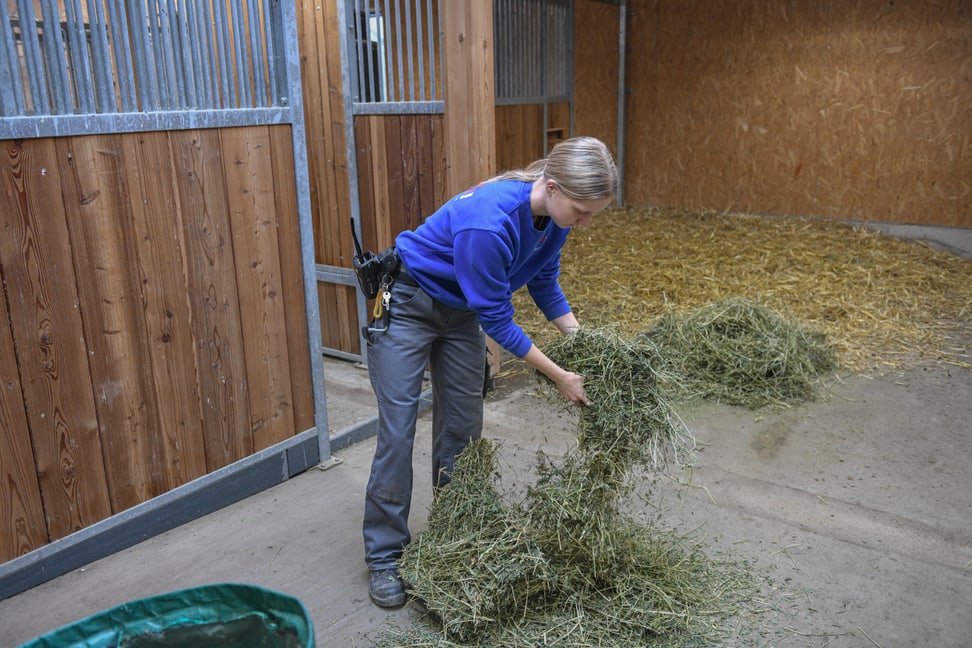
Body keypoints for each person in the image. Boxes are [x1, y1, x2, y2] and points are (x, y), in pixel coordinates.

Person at [362, 136, 618, 607]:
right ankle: (384, 557)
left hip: (460, 314)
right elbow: (499, 319)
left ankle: (454, 534)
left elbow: (543, 280)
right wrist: (559, 375)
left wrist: (583, 341)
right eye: (582, 211)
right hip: (410, 304)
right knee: (398, 430)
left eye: (591, 214)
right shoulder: (490, 222)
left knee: (462, 425)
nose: (583, 222)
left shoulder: (552, 220)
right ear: (554, 186)